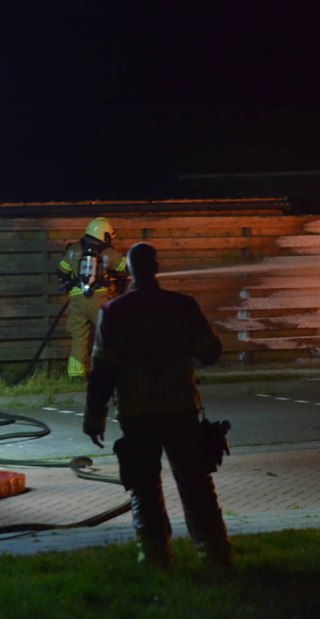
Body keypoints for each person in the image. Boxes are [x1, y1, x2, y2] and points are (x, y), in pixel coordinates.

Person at [83, 242, 232, 570]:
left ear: (130, 271)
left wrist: (94, 418)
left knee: (144, 492)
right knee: (197, 488)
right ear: (157, 267)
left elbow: (102, 371)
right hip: (181, 412)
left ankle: (154, 561)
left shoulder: (113, 312)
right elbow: (211, 353)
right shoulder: (183, 307)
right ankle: (216, 557)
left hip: (136, 418)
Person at [57, 217, 127, 379]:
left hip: (77, 300)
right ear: (105, 235)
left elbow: (62, 271)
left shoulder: (73, 249)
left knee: (78, 338)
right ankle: (114, 372)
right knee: (111, 336)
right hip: (100, 300)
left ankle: (75, 376)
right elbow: (126, 267)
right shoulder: (108, 252)